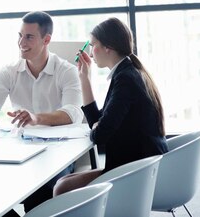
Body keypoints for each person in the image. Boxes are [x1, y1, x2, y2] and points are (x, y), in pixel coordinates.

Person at [0, 11, 83, 214]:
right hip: (21, 149)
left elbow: (73, 114)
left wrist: (36, 118)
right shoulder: (9, 71)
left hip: (59, 151)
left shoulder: (66, 71)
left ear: (47, 39)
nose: (21, 42)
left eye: (29, 37)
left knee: (42, 187)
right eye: (19, 35)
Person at [53, 17, 169, 196]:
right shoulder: (128, 72)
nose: (90, 53)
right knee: (62, 183)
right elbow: (97, 122)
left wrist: (99, 127)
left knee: (62, 188)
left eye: (93, 45)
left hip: (138, 171)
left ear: (107, 47)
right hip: (139, 164)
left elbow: (100, 135)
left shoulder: (125, 79)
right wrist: (85, 78)